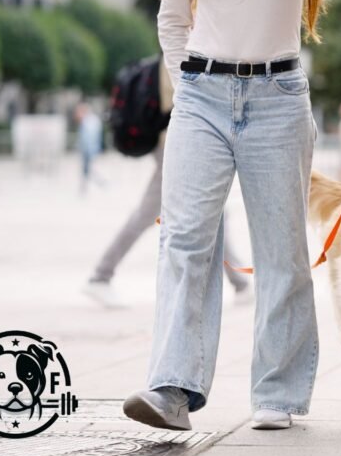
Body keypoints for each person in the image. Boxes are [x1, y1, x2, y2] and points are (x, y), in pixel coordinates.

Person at [122, 0, 341, 432]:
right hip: (200, 95)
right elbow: (172, 17)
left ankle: (278, 391)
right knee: (185, 235)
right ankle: (172, 387)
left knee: (282, 249)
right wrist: (187, 85)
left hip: (278, 99)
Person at [83, 66, 250, 309]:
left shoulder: (173, 55)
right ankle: (100, 275)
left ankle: (240, 283)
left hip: (175, 145)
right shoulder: (182, 54)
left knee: (213, 211)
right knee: (150, 214)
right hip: (175, 147)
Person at [76, 103, 106, 194]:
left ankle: (100, 183)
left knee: (87, 169)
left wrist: (89, 149)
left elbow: (89, 138)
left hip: (89, 149)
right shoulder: (89, 120)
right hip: (89, 149)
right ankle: (86, 186)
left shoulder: (89, 121)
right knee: (87, 169)